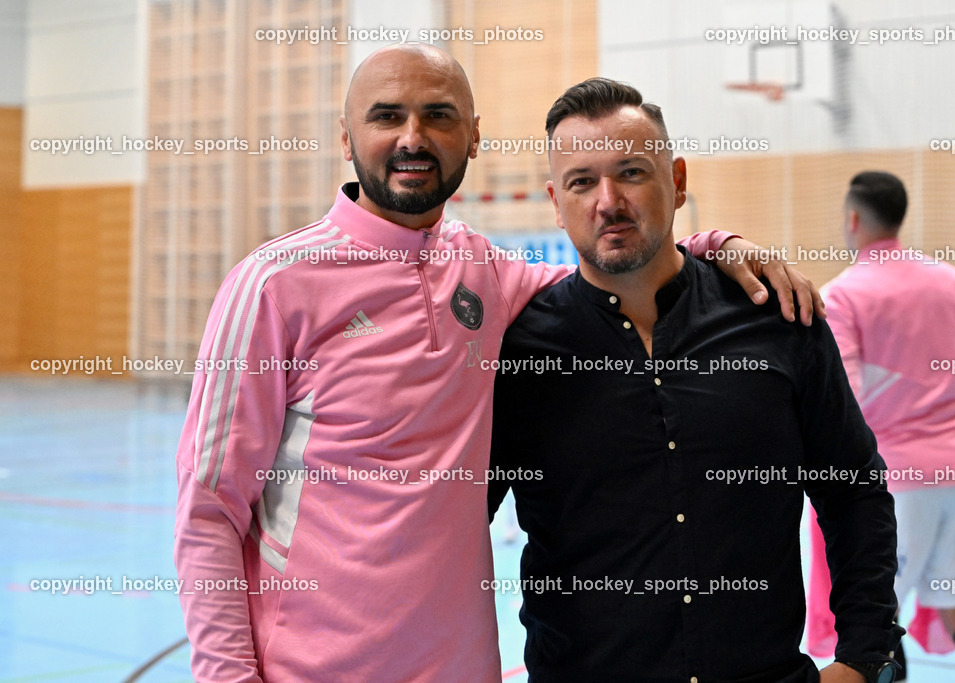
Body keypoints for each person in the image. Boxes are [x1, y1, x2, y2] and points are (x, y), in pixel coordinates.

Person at [172, 45, 823, 681]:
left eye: (439, 115)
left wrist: (715, 246)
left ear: (475, 137)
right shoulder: (272, 286)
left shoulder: (484, 271)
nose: (413, 137)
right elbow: (208, 509)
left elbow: (611, 267)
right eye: (386, 116)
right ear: (346, 137)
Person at [487, 78, 903, 683]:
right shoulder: (518, 352)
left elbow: (853, 489)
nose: (608, 200)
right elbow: (457, 525)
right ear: (555, 201)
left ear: (677, 182)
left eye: (632, 172)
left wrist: (867, 657)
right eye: (582, 181)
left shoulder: (777, 318)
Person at [815, 171, 955, 683]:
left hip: (898, 481)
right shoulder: (951, 280)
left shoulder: (843, 294)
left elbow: (849, 401)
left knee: (879, 627)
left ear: (853, 219)